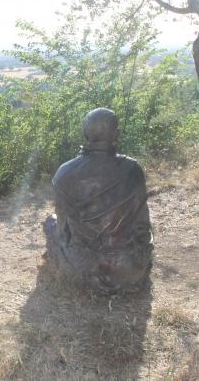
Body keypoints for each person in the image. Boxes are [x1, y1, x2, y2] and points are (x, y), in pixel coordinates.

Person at [44, 108, 153, 294]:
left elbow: (64, 231)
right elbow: (142, 226)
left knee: (50, 222)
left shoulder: (64, 173)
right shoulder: (133, 169)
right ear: (116, 134)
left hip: (81, 266)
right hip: (128, 267)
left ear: (85, 133)